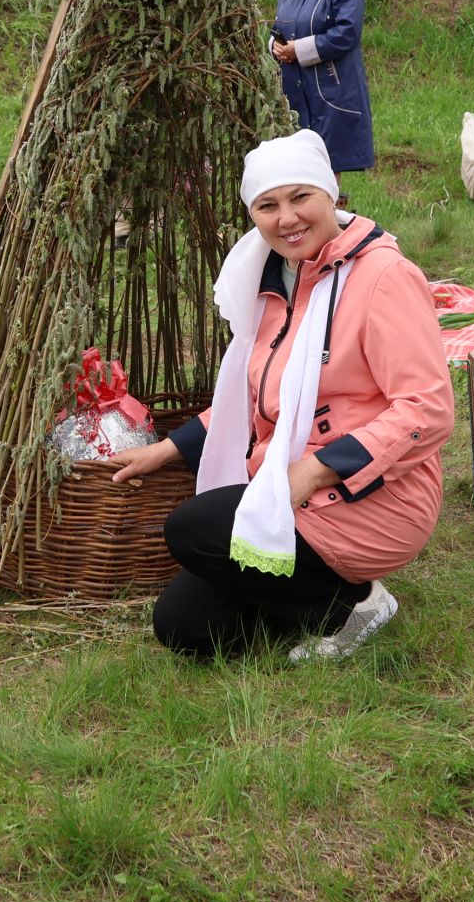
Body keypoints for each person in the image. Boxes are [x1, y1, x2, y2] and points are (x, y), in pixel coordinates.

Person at [110, 129, 452, 661]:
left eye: (300, 197)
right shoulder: (271, 283)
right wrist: (168, 449)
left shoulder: (383, 277)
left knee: (193, 528)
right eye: (267, 205)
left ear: (331, 194)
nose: (286, 218)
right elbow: (252, 399)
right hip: (284, 481)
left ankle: (356, 607)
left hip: (374, 493)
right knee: (185, 626)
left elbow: (426, 409)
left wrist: (314, 472)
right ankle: (316, 600)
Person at [267, 0, 375, 193]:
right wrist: (275, 47)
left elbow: (347, 33)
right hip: (296, 88)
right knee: (300, 159)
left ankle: (332, 218)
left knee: (328, 158)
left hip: (332, 88)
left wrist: (299, 50)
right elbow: (278, 27)